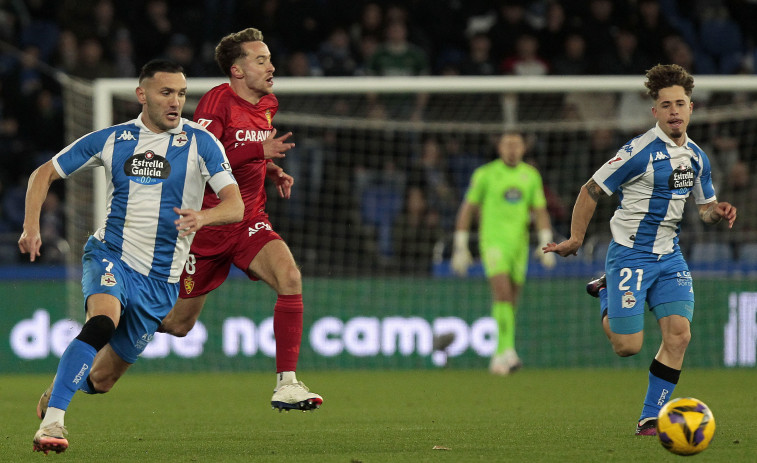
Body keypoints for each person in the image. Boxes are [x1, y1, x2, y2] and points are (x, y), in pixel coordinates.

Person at [20, 59, 244, 454]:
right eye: (166, 92)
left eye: (181, 93)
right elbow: (44, 173)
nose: (176, 102)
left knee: (103, 380)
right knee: (102, 322)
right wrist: (31, 227)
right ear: (142, 95)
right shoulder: (113, 139)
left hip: (161, 281)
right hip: (111, 255)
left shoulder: (202, 143)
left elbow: (235, 206)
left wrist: (203, 216)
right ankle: (53, 423)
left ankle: (56, 388)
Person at [543, 64, 737, 436]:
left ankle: (650, 417)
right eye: (666, 105)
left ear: (691, 107)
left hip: (670, 256)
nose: (674, 111)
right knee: (627, 347)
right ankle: (606, 288)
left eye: (680, 103)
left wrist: (718, 210)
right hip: (631, 255)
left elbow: (704, 208)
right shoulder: (638, 151)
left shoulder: (698, 157)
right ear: (655, 112)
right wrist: (576, 239)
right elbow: (591, 190)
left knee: (679, 334)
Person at [156, 27, 323, 411]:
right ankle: (123, 317)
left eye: (269, 59)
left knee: (290, 277)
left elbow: (245, 155)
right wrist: (257, 151)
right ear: (236, 70)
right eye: (260, 60)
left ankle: (287, 383)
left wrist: (268, 168)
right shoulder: (217, 102)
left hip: (249, 220)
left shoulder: (268, 103)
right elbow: (199, 160)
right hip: (209, 226)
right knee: (179, 325)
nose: (271, 67)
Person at [450, 132, 556, 375]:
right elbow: (467, 209)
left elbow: (540, 211)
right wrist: (460, 246)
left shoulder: (530, 176)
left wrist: (545, 242)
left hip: (519, 246)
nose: (512, 149)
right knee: (502, 293)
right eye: (507, 145)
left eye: (516, 145)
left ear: (523, 148)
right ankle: (508, 351)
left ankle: (498, 357)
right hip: (493, 243)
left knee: (511, 301)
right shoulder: (485, 174)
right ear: (499, 148)